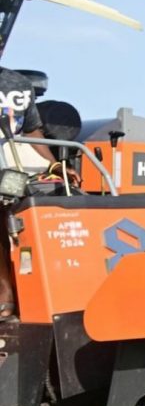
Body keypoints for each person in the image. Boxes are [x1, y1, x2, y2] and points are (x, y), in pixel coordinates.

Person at [0, 67, 80, 321]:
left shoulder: (18, 83)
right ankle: (6, 294)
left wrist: (55, 165)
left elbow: (32, 130)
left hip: (9, 166)